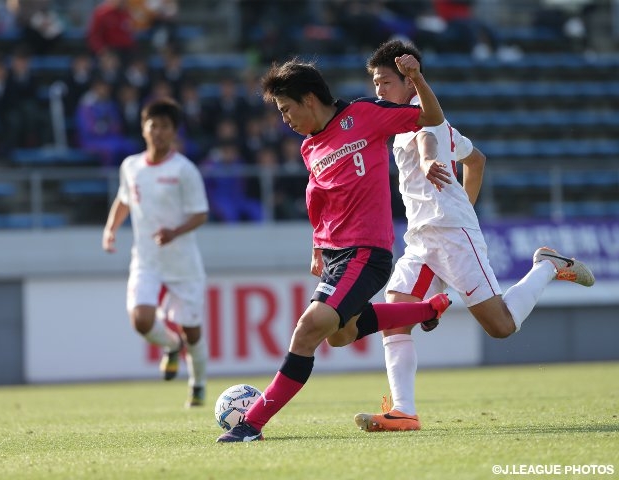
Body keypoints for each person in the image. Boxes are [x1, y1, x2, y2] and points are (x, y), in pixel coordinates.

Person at [352, 39, 596, 433]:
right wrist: (462, 200)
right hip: (422, 237)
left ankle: (547, 266)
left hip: (451, 234)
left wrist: (438, 174)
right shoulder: (405, 125)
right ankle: (404, 411)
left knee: (500, 327)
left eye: (383, 82)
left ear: (409, 84)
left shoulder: (422, 118)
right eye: (375, 83)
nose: (378, 90)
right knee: (394, 313)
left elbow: (428, 137)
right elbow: (477, 160)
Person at [216, 56, 451, 443]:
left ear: (309, 99)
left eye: (286, 109)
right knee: (342, 334)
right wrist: (317, 246)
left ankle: (251, 424)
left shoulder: (364, 114)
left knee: (308, 329)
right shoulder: (310, 147)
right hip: (337, 254)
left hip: (367, 252)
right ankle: (429, 308)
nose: (285, 120)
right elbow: (320, 201)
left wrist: (416, 79)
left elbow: (430, 116)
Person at [102, 97, 209, 408]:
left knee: (193, 330)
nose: (158, 132)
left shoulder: (183, 170)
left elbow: (200, 213)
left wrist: (174, 232)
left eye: (165, 126)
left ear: (174, 131)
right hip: (146, 260)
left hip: (183, 264)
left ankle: (198, 384)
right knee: (141, 320)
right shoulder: (131, 166)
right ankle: (171, 345)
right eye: (153, 125)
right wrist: (110, 229)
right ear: (143, 129)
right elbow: (124, 200)